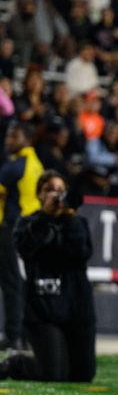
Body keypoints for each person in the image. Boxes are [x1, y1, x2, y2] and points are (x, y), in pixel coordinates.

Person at [0, 170, 95, 382]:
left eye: (61, 191)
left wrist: (69, 217)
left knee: (82, 375)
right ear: (39, 195)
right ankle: (15, 363)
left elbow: (82, 254)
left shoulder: (78, 223)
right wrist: (45, 216)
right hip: (43, 310)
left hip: (76, 309)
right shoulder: (26, 223)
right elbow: (26, 249)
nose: (56, 195)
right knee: (53, 374)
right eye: (50, 190)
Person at [0, 122, 44, 351]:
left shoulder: (17, 165)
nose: (8, 140)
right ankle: (25, 335)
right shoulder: (36, 164)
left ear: (26, 138)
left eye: (13, 136)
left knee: (11, 283)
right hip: (30, 228)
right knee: (22, 283)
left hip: (12, 228)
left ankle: (14, 335)